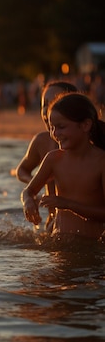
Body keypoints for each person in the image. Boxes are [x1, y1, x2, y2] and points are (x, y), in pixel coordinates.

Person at [22, 93, 105, 237]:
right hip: (58, 247)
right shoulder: (54, 159)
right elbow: (28, 191)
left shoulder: (101, 162)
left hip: (92, 248)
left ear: (85, 125)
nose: (55, 133)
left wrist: (69, 205)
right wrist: (28, 201)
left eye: (61, 127)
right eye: (52, 127)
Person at [15, 81, 79, 231]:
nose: (48, 111)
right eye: (45, 104)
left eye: (55, 103)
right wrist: (34, 185)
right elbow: (21, 170)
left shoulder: (92, 150)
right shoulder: (42, 142)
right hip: (52, 227)